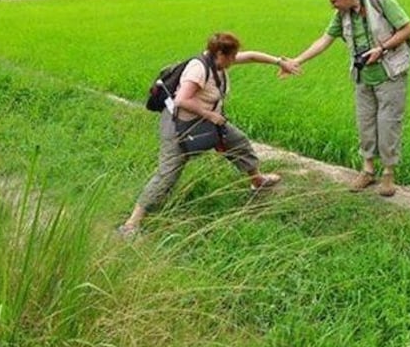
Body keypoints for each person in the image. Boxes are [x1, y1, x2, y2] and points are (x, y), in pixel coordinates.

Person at [120, 32, 301, 236]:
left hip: (205, 120)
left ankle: (257, 180)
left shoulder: (218, 60)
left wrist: (279, 62)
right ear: (220, 54)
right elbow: (181, 99)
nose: (235, 60)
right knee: (167, 174)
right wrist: (210, 114)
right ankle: (132, 223)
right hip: (179, 126)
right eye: (232, 57)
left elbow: (250, 56)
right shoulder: (198, 69)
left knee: (238, 141)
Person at [286, 0, 410, 197]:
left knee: (388, 123)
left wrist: (381, 48)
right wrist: (296, 60)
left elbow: (407, 29)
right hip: (362, 75)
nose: (332, 6)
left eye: (333, 1)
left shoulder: (379, 0)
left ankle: (388, 175)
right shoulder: (342, 14)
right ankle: (367, 170)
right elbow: (324, 40)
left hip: (390, 73)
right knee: (365, 123)